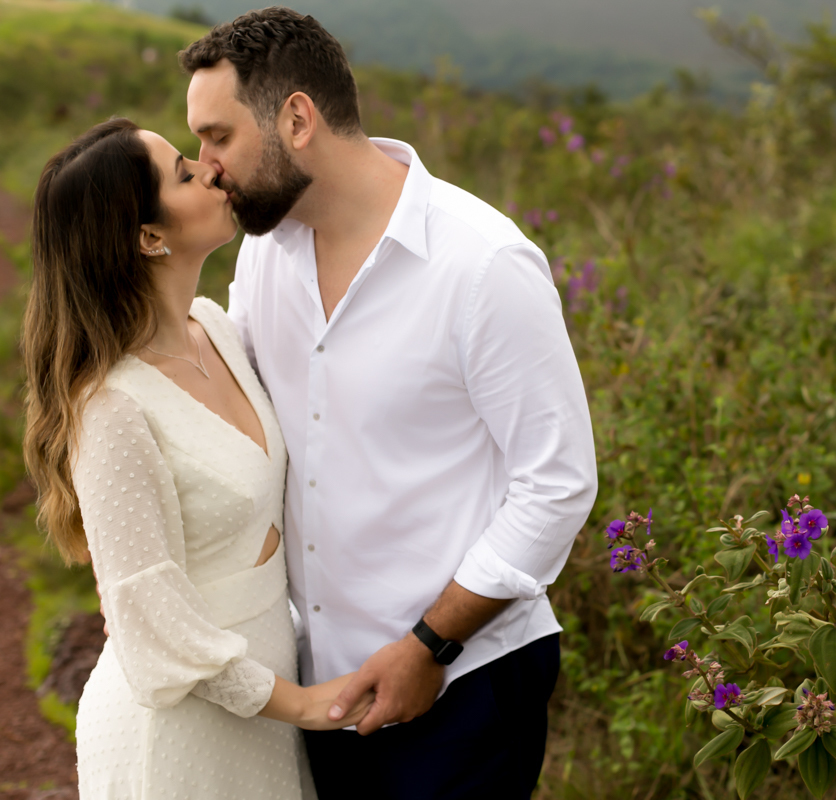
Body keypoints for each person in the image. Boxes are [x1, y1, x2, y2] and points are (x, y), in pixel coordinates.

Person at [180, 7, 597, 797]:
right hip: (316, 684)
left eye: (218, 136)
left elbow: (558, 484)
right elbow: (247, 431)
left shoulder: (482, 264)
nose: (206, 166)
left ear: (297, 118)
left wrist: (428, 646)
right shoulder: (265, 255)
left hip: (463, 681)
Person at [22, 118, 375, 799]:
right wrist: (304, 705)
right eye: (184, 174)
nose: (211, 170)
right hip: (180, 732)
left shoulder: (214, 327)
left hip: (266, 708)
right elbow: (148, 615)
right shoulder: (112, 408)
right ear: (149, 237)